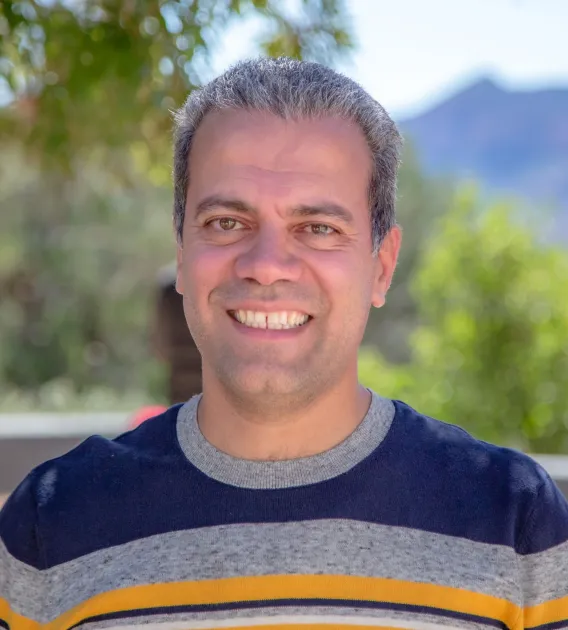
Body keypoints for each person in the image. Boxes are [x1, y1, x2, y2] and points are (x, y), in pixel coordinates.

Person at [1, 57, 567, 629]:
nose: (267, 265)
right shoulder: (51, 527)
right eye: (226, 222)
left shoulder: (514, 522)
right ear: (180, 253)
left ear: (382, 266)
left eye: (318, 228)